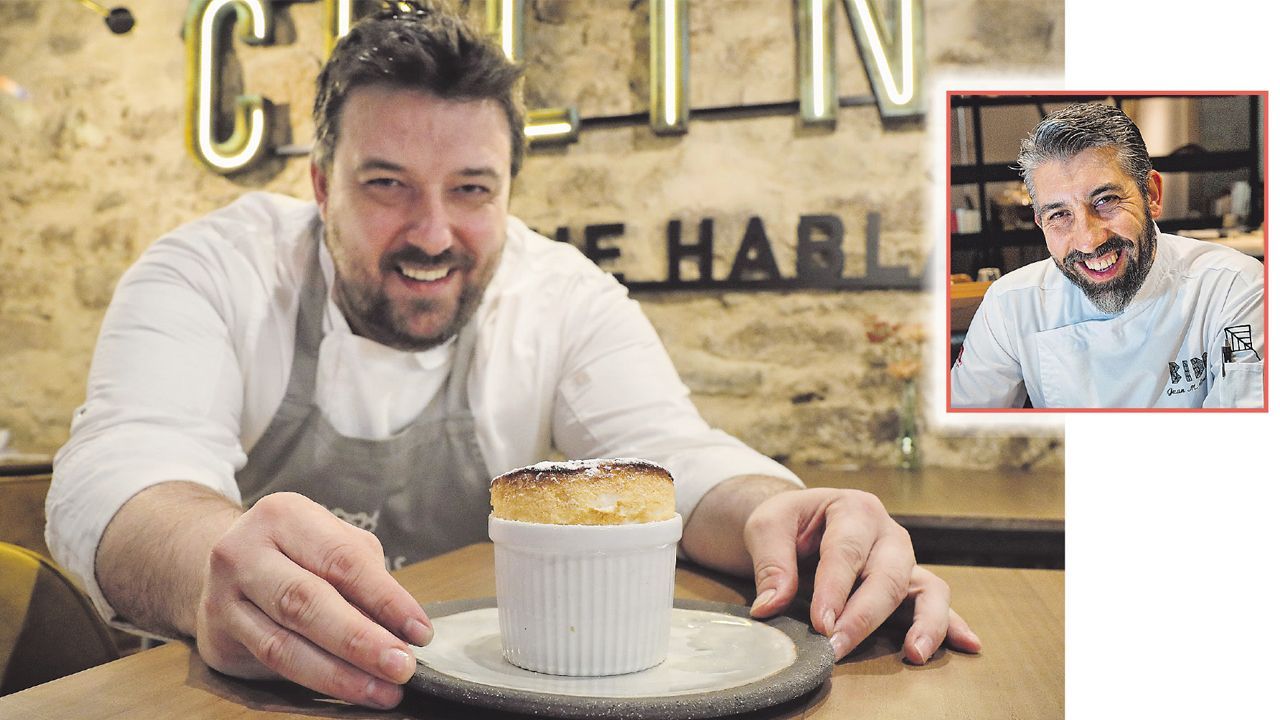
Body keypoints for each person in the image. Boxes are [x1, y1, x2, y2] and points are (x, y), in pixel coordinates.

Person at [46, 4, 979, 710]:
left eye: (471, 189)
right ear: (322, 186)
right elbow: (122, 477)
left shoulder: (561, 293)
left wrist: (787, 517)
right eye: (386, 185)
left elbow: (670, 457)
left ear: (508, 195)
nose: (433, 232)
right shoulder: (210, 270)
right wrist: (218, 555)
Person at [950, 102, 1265, 408]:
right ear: (1040, 223)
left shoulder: (1234, 288)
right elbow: (960, 439)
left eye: (1105, 200)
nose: (1088, 240)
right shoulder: (1011, 305)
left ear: (1151, 194)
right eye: (1059, 214)